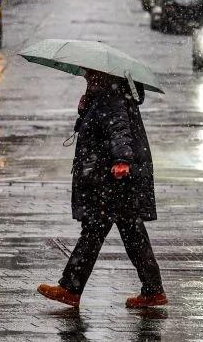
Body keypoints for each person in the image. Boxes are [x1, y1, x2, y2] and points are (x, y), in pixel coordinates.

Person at [38, 69, 166, 309]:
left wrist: (122, 160)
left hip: (113, 180)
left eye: (90, 74)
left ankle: (70, 288)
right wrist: (85, 109)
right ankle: (152, 290)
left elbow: (119, 130)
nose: (86, 77)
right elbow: (100, 127)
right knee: (131, 234)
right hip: (114, 181)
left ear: (102, 75)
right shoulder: (106, 95)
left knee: (95, 231)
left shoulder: (111, 97)